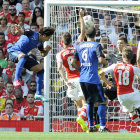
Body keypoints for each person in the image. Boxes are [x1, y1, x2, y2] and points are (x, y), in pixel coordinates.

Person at [71, 24, 109, 132]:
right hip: (93, 78)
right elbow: (101, 60)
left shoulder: (79, 46)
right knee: (103, 101)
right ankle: (102, 126)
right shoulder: (96, 45)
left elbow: (73, 62)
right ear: (95, 34)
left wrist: (81, 70)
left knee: (89, 102)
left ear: (86, 35)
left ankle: (91, 126)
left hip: (83, 79)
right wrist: (106, 63)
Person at [56, 10, 88, 132]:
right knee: (86, 103)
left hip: (70, 80)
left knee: (78, 104)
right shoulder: (77, 47)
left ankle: (84, 125)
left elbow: (59, 68)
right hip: (80, 78)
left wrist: (65, 81)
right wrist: (80, 17)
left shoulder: (59, 54)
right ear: (71, 41)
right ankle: (81, 118)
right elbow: (83, 32)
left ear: (62, 42)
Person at [7, 24, 55, 102]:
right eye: (49, 37)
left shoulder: (40, 43)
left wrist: (47, 50)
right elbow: (23, 32)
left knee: (40, 69)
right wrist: (19, 30)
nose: (49, 39)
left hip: (23, 56)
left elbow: (43, 54)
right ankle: (16, 80)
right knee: (23, 57)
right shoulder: (32, 33)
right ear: (44, 35)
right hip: (13, 53)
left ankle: (38, 93)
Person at [99, 47, 140, 128]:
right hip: (131, 93)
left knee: (131, 112)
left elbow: (101, 73)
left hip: (121, 96)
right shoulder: (133, 68)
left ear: (123, 56)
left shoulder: (115, 65)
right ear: (131, 57)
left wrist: (108, 83)